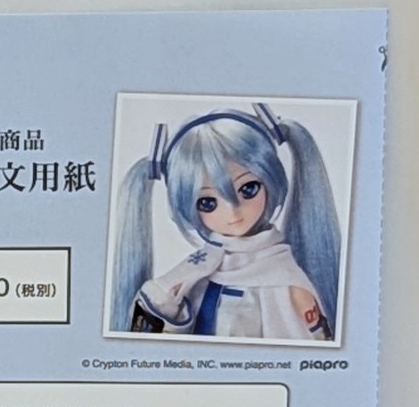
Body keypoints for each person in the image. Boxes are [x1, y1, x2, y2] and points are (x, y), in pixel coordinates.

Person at [107, 104, 342, 342]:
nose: (232, 212)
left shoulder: (284, 275)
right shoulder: (197, 271)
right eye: (208, 203)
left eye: (248, 189)